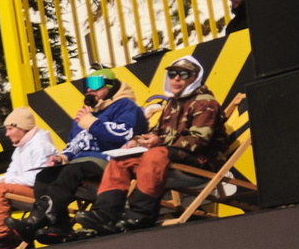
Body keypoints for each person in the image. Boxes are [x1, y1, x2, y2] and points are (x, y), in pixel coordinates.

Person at [91, 55, 220, 233]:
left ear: (194, 78)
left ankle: (142, 214)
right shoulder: (173, 103)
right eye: (173, 73)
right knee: (121, 160)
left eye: (183, 74)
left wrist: (159, 141)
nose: (176, 78)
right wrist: (138, 140)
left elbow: (198, 141)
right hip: (170, 156)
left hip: (201, 160)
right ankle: (105, 214)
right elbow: (158, 132)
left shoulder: (205, 103)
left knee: (156, 154)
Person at [30, 74, 148, 241]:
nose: (89, 89)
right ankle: (59, 226)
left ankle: (38, 217)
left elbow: (124, 134)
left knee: (72, 171)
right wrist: (62, 157)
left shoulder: (125, 105)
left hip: (109, 160)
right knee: (45, 175)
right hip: (81, 162)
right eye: (86, 85)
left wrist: (91, 123)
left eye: (95, 83)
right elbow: (74, 144)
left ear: (111, 86)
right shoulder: (85, 114)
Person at [0, 107, 64, 249]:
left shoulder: (40, 146)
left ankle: (0, 238)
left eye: (10, 129)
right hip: (27, 189)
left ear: (22, 127)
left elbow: (39, 178)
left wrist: (4, 182)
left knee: (1, 189)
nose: (7, 133)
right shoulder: (20, 149)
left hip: (43, 194)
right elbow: (11, 174)